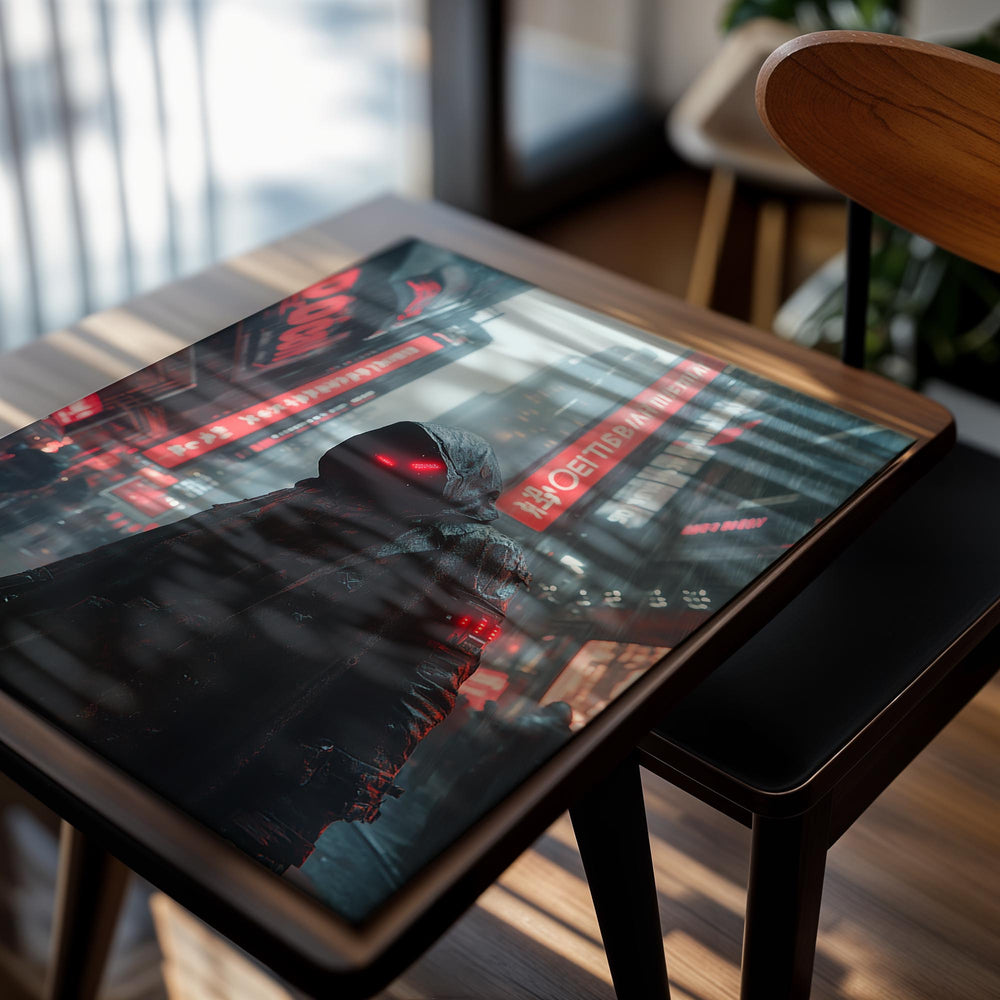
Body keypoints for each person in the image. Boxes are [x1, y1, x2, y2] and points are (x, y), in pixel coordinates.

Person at [0, 421, 529, 871]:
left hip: (226, 707)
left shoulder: (478, 550)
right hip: (107, 654)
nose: (400, 473)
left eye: (423, 468)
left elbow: (428, 675)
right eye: (394, 459)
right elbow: (155, 549)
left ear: (462, 485)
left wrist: (311, 806)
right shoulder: (313, 498)